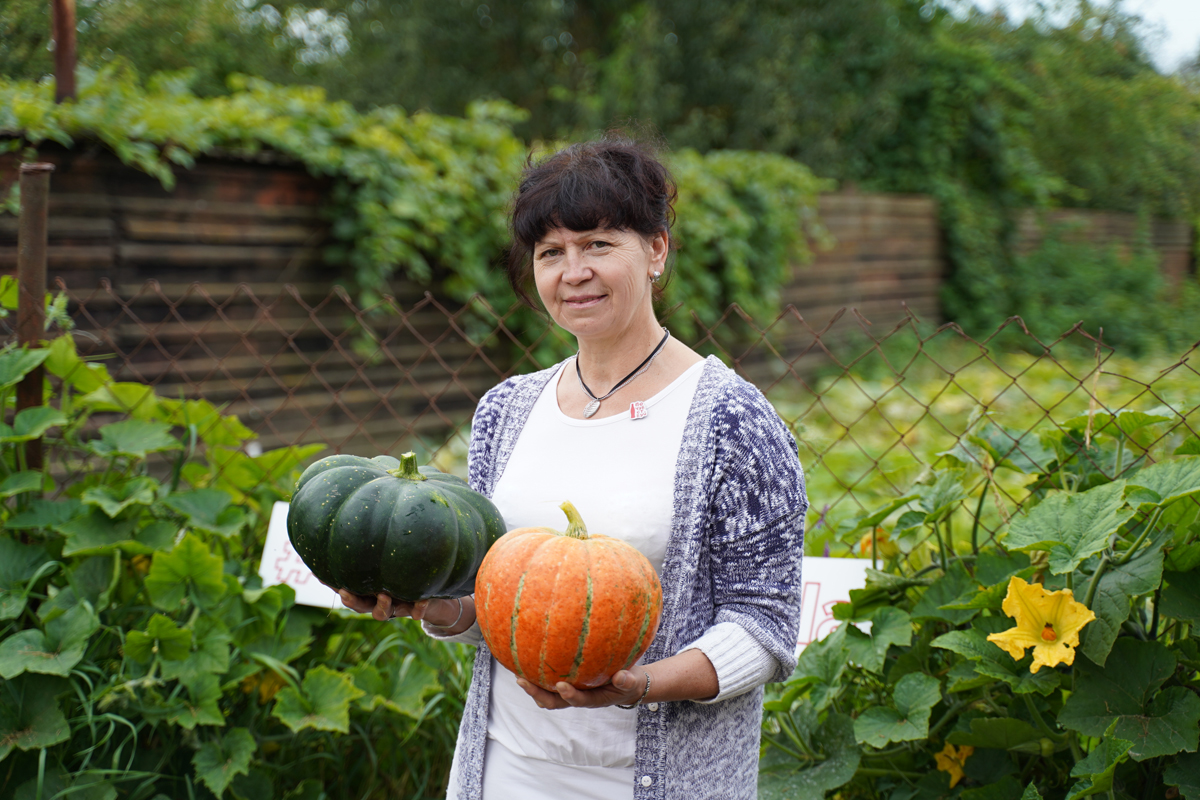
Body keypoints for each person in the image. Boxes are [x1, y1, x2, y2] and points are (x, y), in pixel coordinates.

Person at [337, 137, 807, 800]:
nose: (573, 271)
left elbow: (765, 626)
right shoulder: (506, 411)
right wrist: (432, 608)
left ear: (656, 251)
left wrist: (635, 686)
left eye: (597, 245)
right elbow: (504, 603)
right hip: (508, 771)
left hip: (656, 782)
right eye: (551, 253)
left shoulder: (732, 419)